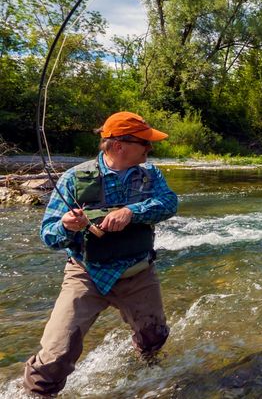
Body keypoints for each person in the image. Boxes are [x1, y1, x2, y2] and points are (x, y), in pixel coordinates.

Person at [23, 112, 178, 397]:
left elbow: (169, 203)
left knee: (154, 337)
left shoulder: (151, 174)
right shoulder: (74, 179)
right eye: (145, 142)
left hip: (137, 272)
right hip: (86, 275)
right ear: (120, 145)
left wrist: (132, 212)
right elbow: (48, 236)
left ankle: (148, 372)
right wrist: (66, 226)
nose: (150, 148)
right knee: (55, 356)